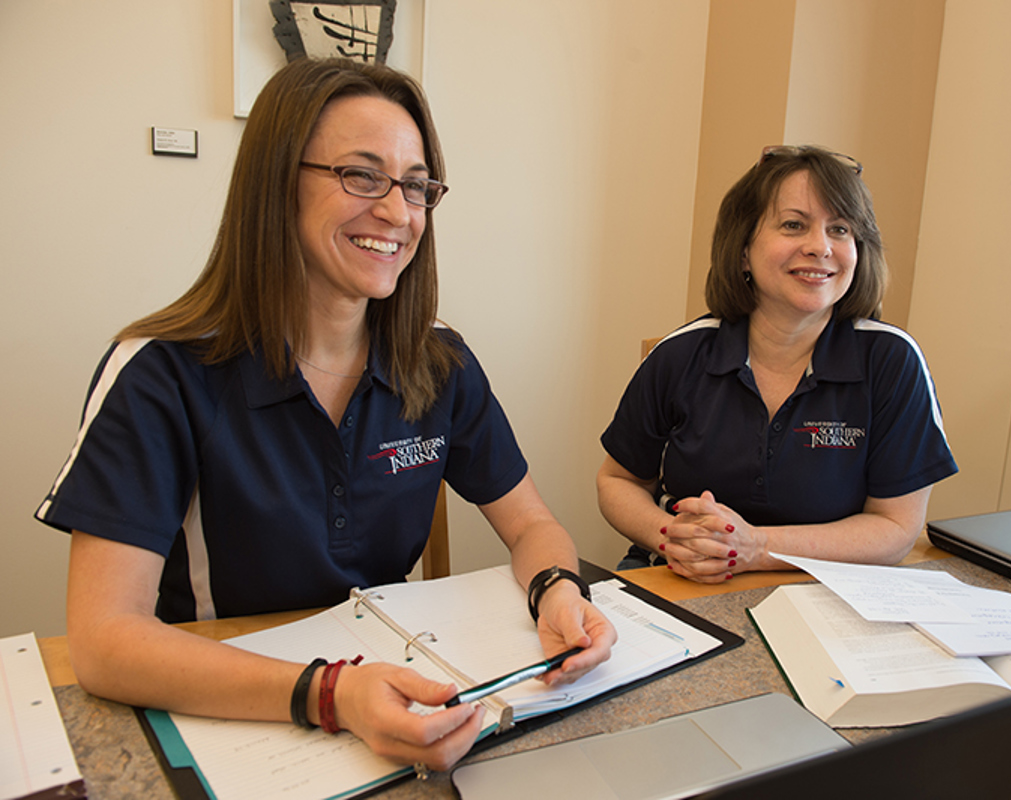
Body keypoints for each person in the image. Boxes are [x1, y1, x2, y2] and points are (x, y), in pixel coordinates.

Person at [35, 57, 615, 772]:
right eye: (361, 176)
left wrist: (557, 589)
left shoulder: (439, 363)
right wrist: (332, 695)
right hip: (233, 714)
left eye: (415, 185)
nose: (399, 213)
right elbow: (103, 640)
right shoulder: (160, 373)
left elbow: (530, 523)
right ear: (278, 184)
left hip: (395, 697)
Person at [597, 145, 958, 583]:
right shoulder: (680, 354)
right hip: (683, 575)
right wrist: (675, 537)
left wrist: (756, 548)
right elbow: (619, 481)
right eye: (793, 225)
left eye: (840, 229)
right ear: (744, 249)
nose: (821, 247)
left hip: (825, 586)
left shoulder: (893, 361)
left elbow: (897, 527)